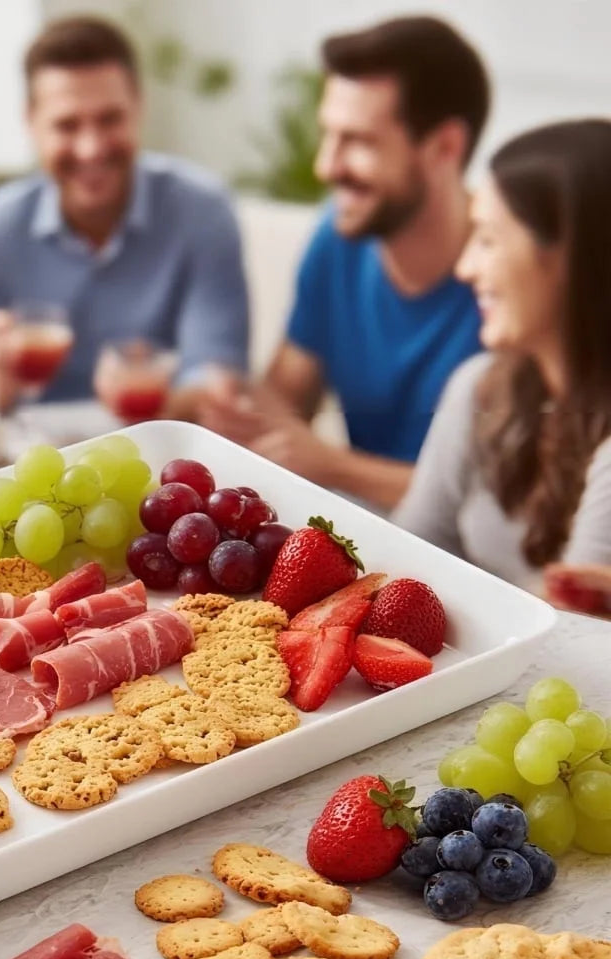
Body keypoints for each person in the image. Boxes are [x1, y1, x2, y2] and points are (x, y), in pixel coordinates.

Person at [202, 17, 489, 509]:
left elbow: (504, 507)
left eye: (358, 141)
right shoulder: (337, 241)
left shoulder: (511, 276)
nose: (325, 165)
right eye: (328, 135)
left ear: (445, 147)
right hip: (366, 540)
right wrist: (241, 406)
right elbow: (286, 405)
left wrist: (334, 465)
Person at [0, 16, 248, 416]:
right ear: (31, 123)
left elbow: (217, 374)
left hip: (159, 452)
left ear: (139, 109)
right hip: (33, 460)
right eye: (67, 125)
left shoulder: (202, 211)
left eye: (109, 119)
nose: (91, 148)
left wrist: (154, 399)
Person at [394, 120, 611, 589]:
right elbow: (407, 560)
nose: (466, 267)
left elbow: (576, 635)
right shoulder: (479, 386)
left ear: (571, 259)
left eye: (488, 239)